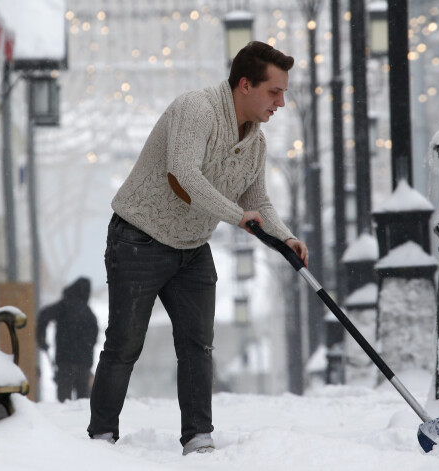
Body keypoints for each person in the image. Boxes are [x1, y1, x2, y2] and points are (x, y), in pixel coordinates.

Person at [87, 41, 309, 455]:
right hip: (139, 238)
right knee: (124, 344)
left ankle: (198, 437)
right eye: (274, 91)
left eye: (283, 92)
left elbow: (257, 202)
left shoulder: (255, 143)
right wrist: (235, 214)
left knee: (197, 345)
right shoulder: (197, 109)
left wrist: (286, 238)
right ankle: (101, 438)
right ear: (245, 85)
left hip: (191, 247)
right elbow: (182, 174)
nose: (282, 101)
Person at [37, 277, 99, 402]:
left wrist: (41, 338)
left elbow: (44, 315)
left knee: (63, 401)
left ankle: (63, 421)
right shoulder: (89, 313)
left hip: (65, 362)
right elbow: (94, 337)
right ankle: (81, 422)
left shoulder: (64, 306)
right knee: (83, 403)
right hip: (83, 365)